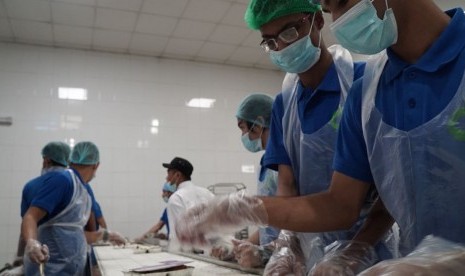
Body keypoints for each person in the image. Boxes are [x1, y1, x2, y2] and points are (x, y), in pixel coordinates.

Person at [176, 0, 465, 273]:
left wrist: (451, 262)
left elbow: (381, 200)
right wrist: (253, 216)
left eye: (339, 2)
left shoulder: (356, 86)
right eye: (329, 8)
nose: (338, 21)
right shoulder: (367, 93)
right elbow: (340, 204)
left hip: (388, 257)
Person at [21, 141, 124, 275]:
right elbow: (30, 216)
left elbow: (72, 233)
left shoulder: (84, 188)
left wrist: (106, 235)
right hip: (48, 269)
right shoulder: (63, 180)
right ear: (96, 165)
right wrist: (32, 242)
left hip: (70, 268)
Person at [4, 142, 71, 276]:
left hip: (36, 260)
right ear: (67, 160)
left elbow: (26, 225)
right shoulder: (78, 186)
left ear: (46, 160)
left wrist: (19, 258)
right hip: (70, 261)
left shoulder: (31, 186)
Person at [231, 93, 279, 267]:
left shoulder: (285, 162)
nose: (243, 135)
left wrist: (265, 253)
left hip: (291, 260)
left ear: (257, 126)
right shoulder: (265, 163)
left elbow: (296, 225)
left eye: (242, 128)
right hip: (272, 259)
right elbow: (269, 224)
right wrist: (245, 247)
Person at [162, 157, 215, 251]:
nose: (167, 178)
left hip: (190, 256)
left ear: (177, 175)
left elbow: (178, 238)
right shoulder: (207, 193)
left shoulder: (176, 198)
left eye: (168, 173)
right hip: (213, 252)